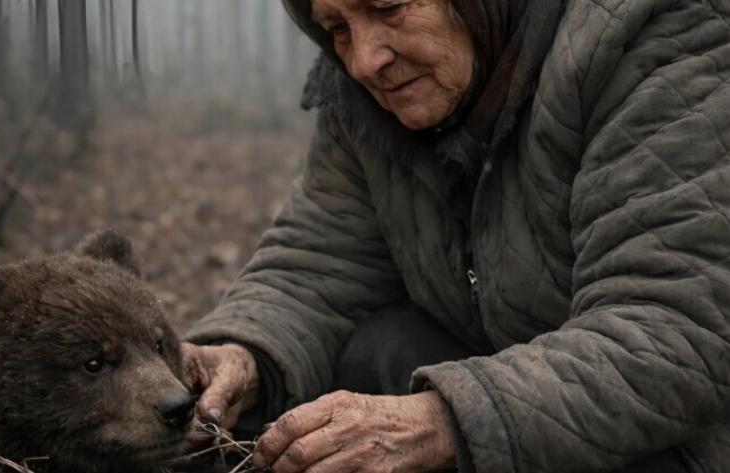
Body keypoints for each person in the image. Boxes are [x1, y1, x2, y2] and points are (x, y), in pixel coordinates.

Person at [182, 0, 730, 471]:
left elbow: (672, 331)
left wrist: (442, 421)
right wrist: (243, 354)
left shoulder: (647, 41)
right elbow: (319, 259)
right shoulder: (369, 95)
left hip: (681, 443)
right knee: (375, 349)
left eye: (389, 6)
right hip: (516, 396)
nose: (365, 60)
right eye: (338, 27)